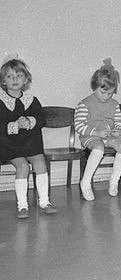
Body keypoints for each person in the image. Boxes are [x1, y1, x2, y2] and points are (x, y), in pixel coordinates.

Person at [0, 58, 57, 218]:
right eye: (10, 77)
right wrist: (15, 125)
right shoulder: (1, 101)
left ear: (26, 79)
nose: (14, 80)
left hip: (30, 143)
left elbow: (41, 119)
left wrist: (30, 121)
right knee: (23, 167)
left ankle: (45, 201)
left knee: (40, 162)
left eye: (18, 76)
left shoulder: (31, 100)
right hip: (9, 144)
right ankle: (22, 206)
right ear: (3, 81)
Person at [75, 58, 121, 201]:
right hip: (90, 136)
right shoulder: (84, 103)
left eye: (110, 93)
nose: (107, 96)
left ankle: (114, 181)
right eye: (103, 92)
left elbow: (119, 121)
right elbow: (79, 125)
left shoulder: (114, 104)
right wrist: (95, 133)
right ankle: (85, 182)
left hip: (109, 135)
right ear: (95, 87)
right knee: (98, 147)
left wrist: (118, 130)